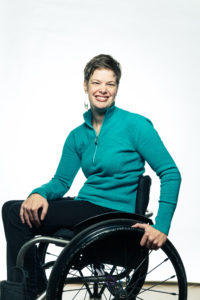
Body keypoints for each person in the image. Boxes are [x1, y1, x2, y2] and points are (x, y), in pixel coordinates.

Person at [2, 54, 181, 299]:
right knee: (15, 208)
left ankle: (28, 290)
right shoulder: (77, 136)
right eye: (97, 83)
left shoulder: (136, 125)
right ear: (85, 86)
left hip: (114, 213)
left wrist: (162, 225)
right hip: (86, 208)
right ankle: (31, 287)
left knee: (14, 214)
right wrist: (39, 193)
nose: (103, 90)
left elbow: (171, 172)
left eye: (110, 84)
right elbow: (61, 182)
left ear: (117, 88)